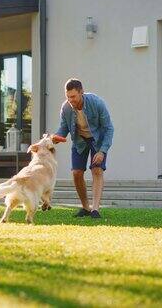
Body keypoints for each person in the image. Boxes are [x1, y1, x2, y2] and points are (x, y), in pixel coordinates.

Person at [52, 78, 114, 218]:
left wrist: (102, 151)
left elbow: (108, 129)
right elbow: (63, 128)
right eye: (68, 97)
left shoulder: (97, 103)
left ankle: (95, 209)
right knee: (76, 173)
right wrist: (56, 137)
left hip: (97, 139)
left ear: (81, 92)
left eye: (73, 96)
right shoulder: (66, 107)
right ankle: (86, 208)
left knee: (97, 169)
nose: (70, 100)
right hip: (79, 140)